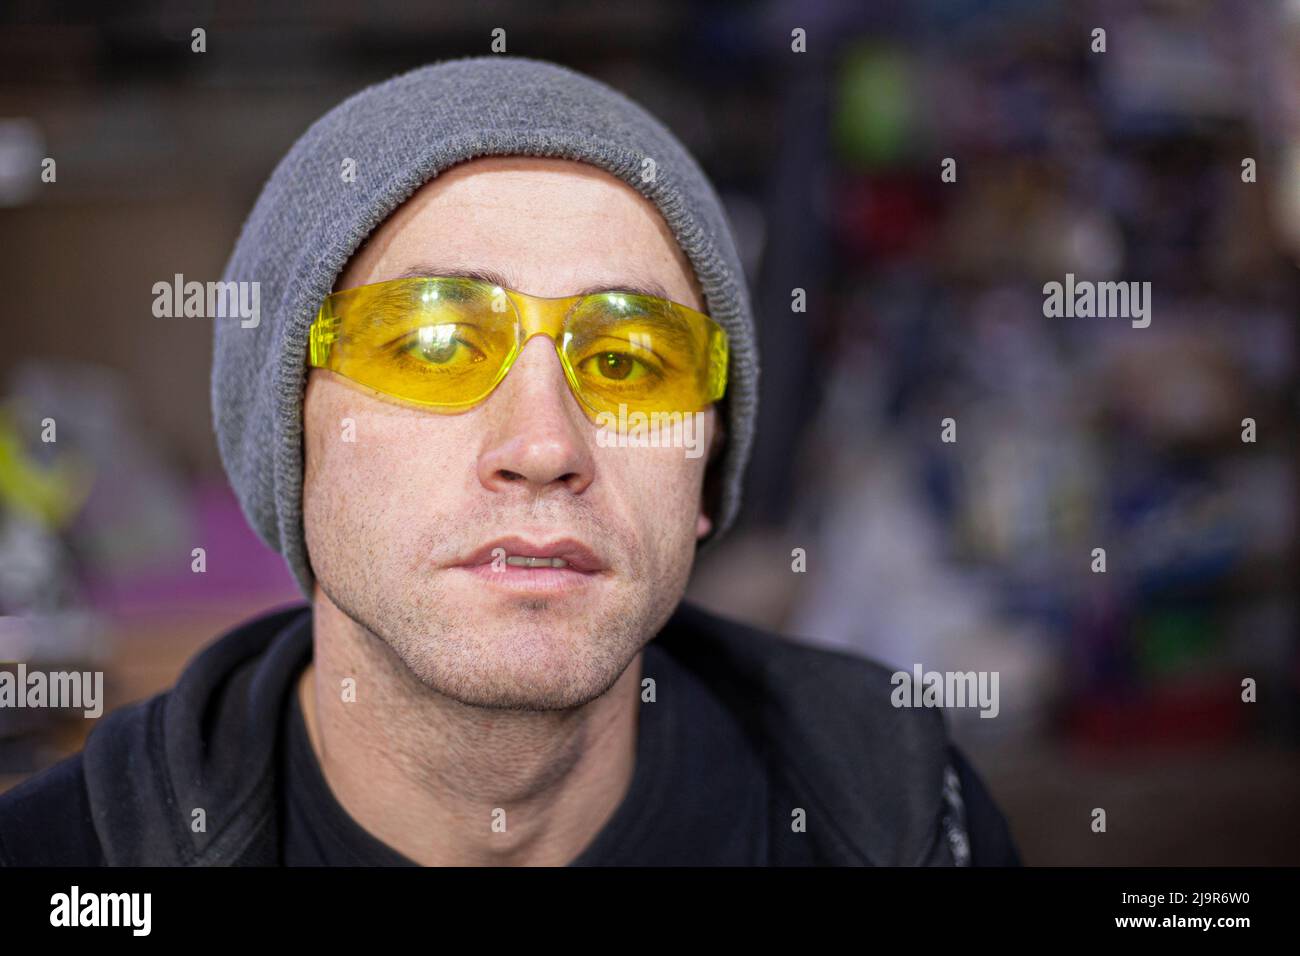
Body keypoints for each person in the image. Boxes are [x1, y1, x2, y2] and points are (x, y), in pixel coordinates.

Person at [0, 55, 1019, 866]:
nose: (543, 446)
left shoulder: (896, 811)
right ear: (288, 438)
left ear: (704, 472)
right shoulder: (72, 859)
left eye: (627, 359)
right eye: (434, 344)